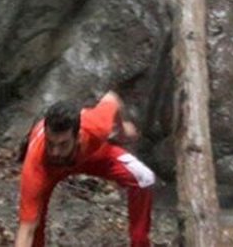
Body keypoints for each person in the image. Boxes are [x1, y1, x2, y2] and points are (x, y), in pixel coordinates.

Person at [15, 91, 154, 247]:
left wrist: (122, 131)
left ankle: (140, 243)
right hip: (48, 170)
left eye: (63, 144)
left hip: (92, 157)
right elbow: (26, 229)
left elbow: (112, 98)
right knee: (35, 223)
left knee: (144, 177)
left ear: (78, 137)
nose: (55, 152)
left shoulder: (94, 126)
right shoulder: (35, 164)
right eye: (50, 143)